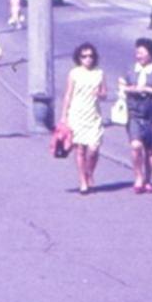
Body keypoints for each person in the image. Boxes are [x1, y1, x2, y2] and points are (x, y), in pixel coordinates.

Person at [119, 38, 152, 195]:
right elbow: (122, 86)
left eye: (142, 52)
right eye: (137, 52)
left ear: (151, 54)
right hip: (134, 113)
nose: (138, 55)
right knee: (135, 146)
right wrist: (131, 89)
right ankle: (138, 177)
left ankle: (148, 180)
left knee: (150, 151)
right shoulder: (130, 69)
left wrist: (147, 89)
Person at [61, 42, 107, 195]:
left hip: (93, 116)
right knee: (80, 149)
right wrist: (64, 116)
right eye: (84, 56)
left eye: (91, 56)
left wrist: (99, 94)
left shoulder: (99, 73)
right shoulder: (74, 73)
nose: (88, 59)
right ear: (79, 58)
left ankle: (89, 173)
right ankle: (83, 181)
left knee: (93, 149)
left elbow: (105, 94)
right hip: (77, 114)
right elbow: (68, 95)